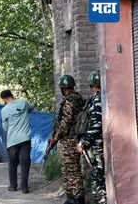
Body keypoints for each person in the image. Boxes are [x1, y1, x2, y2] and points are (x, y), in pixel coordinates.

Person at [46, 75, 85, 204]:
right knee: (68, 169)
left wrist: (55, 139)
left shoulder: (70, 101)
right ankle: (71, 197)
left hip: (70, 139)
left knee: (72, 170)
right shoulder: (78, 99)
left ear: (63, 89)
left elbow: (65, 123)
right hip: (72, 138)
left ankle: (77, 198)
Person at [76, 70, 107, 204]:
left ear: (94, 85)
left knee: (99, 181)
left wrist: (83, 143)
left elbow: (96, 125)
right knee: (98, 178)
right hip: (97, 145)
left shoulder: (97, 99)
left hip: (97, 146)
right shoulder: (102, 97)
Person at [0, 90, 34, 194]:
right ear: (12, 95)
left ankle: (13, 186)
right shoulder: (23, 103)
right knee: (25, 163)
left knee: (13, 164)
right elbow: (31, 108)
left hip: (12, 141)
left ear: (4, 99)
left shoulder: (4, 110)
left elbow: (5, 128)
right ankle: (24, 187)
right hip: (25, 138)